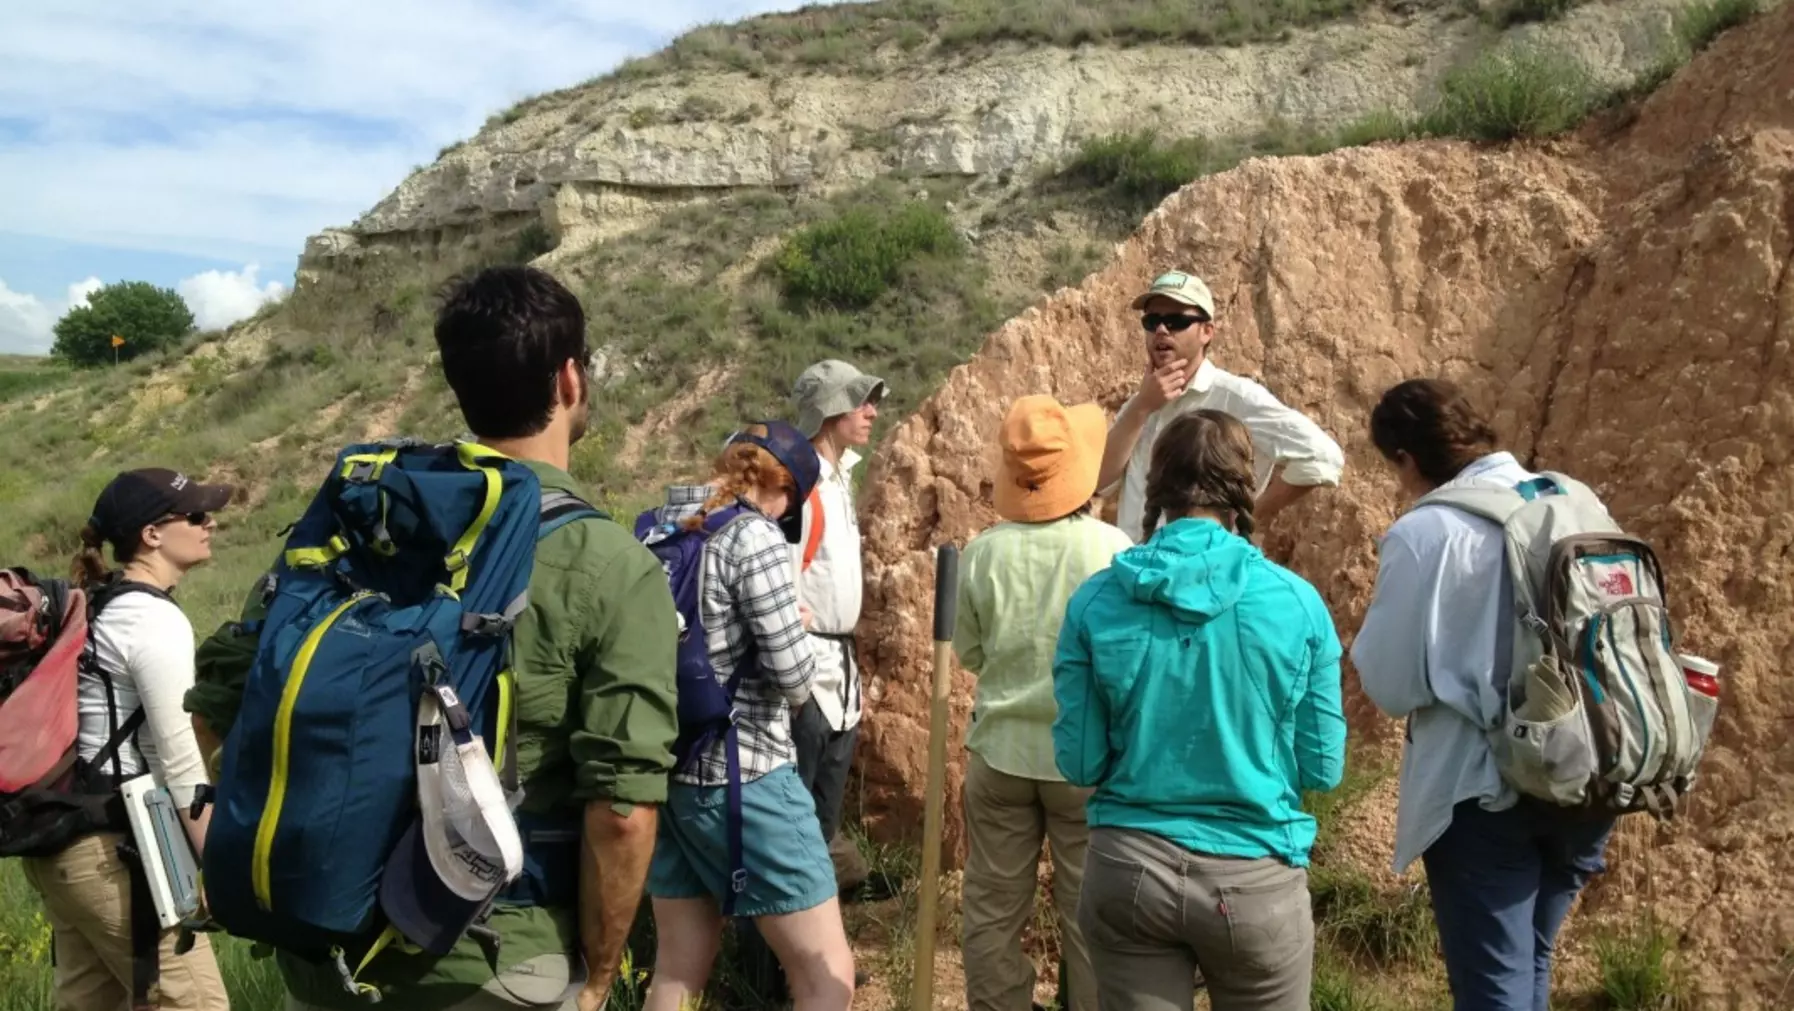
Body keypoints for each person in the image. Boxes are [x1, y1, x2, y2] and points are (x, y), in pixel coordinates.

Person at [187, 265, 683, 1011]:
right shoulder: (612, 565)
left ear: (460, 383)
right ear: (572, 379)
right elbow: (621, 810)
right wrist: (601, 978)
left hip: (326, 951)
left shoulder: (361, 522)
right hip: (493, 960)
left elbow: (219, 700)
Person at [1054, 409, 1346, 1011]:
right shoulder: (1298, 603)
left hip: (1128, 870)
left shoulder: (1097, 600)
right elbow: (1322, 768)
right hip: (1256, 876)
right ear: (1245, 488)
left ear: (1156, 486)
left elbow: (1079, 763)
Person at [1350, 378, 1615, 1011]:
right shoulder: (1572, 499)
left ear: (1406, 460)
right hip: (1589, 771)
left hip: (1485, 790)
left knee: (1494, 991)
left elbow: (1388, 684)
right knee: (1529, 968)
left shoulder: (1427, 533)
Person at [641, 421, 855, 1011]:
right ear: (783, 491)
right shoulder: (752, 537)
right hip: (749, 775)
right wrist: (798, 629)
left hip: (671, 776)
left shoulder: (659, 525)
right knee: (825, 965)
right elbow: (793, 679)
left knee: (678, 967)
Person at [20, 468, 234, 1011]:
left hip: (65, 848)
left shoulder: (101, 603)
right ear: (152, 535)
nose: (210, 523)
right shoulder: (150, 620)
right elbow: (179, 757)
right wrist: (218, 861)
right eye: (194, 516)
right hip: (117, 855)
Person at [953, 395, 1133, 1011]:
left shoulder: (982, 552)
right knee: (1090, 912)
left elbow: (970, 654)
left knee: (992, 909)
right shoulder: (1113, 550)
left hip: (1000, 753)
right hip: (1085, 761)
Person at [1096, 269, 1345, 543]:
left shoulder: (1235, 397)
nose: (1161, 330)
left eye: (1176, 320)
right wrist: (1141, 407)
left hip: (1203, 574)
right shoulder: (1141, 403)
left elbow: (1323, 458)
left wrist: (1249, 520)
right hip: (1137, 572)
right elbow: (1100, 483)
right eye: (1152, 320)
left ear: (1207, 331)